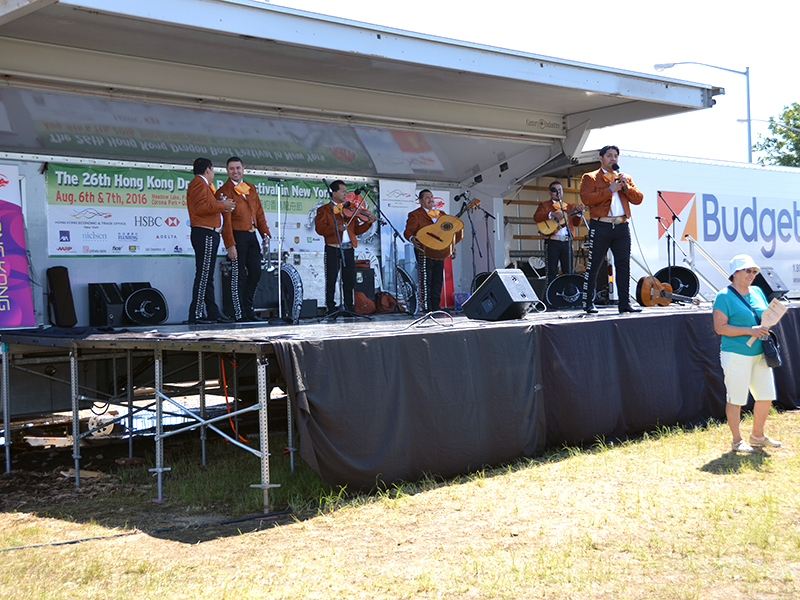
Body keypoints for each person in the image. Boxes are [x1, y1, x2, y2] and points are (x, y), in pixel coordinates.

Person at [713, 255, 782, 453]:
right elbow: (720, 328)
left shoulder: (758, 291)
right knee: (736, 398)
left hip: (761, 353)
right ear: (735, 273)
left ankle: (757, 436)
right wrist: (750, 330)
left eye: (754, 271)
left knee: (766, 395)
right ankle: (737, 440)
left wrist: (767, 322)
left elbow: (763, 316)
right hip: (736, 354)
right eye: (747, 271)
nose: (751, 275)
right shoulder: (724, 296)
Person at [580, 145, 644, 314]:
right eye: (609, 155)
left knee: (623, 265)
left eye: (616, 156)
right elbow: (587, 199)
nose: (613, 159)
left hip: (621, 226)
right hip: (601, 225)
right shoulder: (591, 177)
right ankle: (588, 303)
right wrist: (610, 190)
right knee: (594, 265)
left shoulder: (625, 178)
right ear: (601, 158)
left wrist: (625, 187)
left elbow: (638, 199)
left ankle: (624, 303)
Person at [216, 157, 271, 322]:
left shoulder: (250, 188)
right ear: (227, 170)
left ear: (243, 169)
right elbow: (225, 222)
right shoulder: (223, 191)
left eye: (238, 168)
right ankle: (238, 313)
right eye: (232, 168)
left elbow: (259, 213)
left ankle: (249, 309)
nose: (235, 171)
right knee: (237, 276)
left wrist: (265, 234)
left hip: (251, 235)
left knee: (255, 272)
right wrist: (230, 244)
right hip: (237, 235)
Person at [314, 180, 376, 315]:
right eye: (342, 191)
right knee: (331, 280)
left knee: (349, 280)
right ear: (333, 193)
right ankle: (330, 308)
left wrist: (368, 224)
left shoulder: (350, 209)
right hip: (333, 248)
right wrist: (336, 228)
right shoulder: (323, 210)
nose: (345, 194)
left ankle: (348, 307)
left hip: (348, 249)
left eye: (346, 192)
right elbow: (320, 229)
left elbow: (357, 230)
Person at [186, 157, 236, 324]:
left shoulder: (203, 185)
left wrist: (219, 203)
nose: (213, 174)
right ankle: (197, 313)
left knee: (207, 275)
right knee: (203, 274)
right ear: (208, 170)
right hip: (204, 233)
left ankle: (212, 312)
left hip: (210, 233)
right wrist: (222, 206)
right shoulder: (199, 183)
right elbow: (199, 208)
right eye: (213, 170)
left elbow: (205, 205)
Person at [404, 189, 460, 313]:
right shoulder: (415, 214)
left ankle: (435, 305)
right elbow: (407, 232)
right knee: (426, 279)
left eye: (432, 197)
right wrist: (412, 238)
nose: (431, 199)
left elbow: (447, 234)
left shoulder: (441, 214)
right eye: (427, 197)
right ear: (420, 201)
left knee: (437, 279)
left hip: (439, 251)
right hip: (424, 250)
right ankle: (426, 306)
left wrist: (452, 247)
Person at [533, 181, 584, 285]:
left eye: (559, 190)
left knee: (568, 271)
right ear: (550, 192)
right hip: (552, 242)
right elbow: (536, 217)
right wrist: (551, 214)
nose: (557, 192)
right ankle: (551, 297)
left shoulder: (569, 206)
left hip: (566, 242)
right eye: (554, 190)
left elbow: (576, 224)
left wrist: (579, 214)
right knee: (551, 271)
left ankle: (568, 295)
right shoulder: (545, 205)